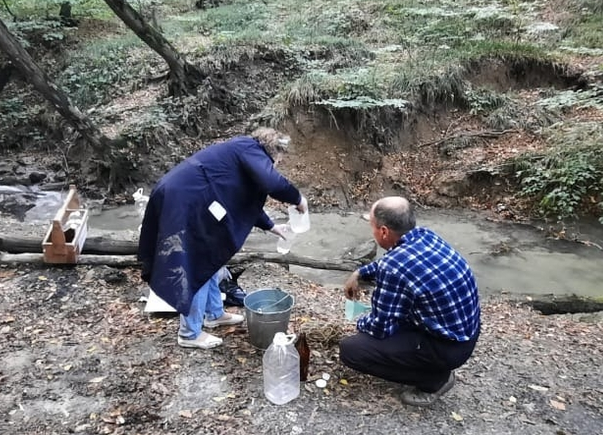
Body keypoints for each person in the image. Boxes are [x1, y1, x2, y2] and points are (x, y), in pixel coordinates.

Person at [138, 128, 306, 349]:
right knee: (196, 263)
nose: (276, 164)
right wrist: (298, 198)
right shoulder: (249, 148)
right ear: (273, 151)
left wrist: (273, 227)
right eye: (278, 160)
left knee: (212, 257)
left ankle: (213, 314)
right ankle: (189, 334)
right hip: (182, 199)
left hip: (194, 199)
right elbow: (272, 183)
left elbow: (247, 202)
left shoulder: (243, 156)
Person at [340, 196, 481, 407]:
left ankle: (434, 381)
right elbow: (395, 263)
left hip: (447, 348)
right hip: (466, 334)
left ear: (384, 231)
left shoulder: (394, 266)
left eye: (372, 227)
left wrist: (359, 324)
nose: (373, 231)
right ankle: (431, 367)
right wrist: (360, 272)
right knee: (396, 320)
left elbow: (380, 328)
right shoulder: (426, 236)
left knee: (352, 350)